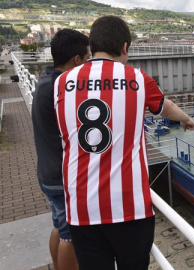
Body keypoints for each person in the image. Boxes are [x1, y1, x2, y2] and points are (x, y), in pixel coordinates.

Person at [53, 16, 194, 270]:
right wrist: (186, 119)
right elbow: (166, 108)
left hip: (82, 209)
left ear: (91, 47)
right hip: (130, 210)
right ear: (125, 47)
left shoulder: (61, 82)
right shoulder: (138, 79)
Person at [32, 29, 90, 270]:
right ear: (76, 59)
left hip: (47, 171)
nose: (88, 63)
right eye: (86, 58)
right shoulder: (62, 88)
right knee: (71, 237)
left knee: (59, 226)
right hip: (61, 176)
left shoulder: (47, 79)